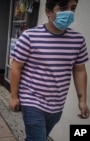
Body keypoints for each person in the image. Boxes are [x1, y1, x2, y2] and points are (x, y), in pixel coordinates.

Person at [10, 0, 89, 140]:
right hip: (32, 100)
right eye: (63, 7)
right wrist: (14, 97)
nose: (69, 12)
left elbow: (79, 70)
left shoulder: (78, 40)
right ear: (48, 12)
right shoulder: (29, 36)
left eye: (73, 8)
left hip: (57, 104)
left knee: (39, 137)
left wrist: (82, 101)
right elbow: (16, 68)